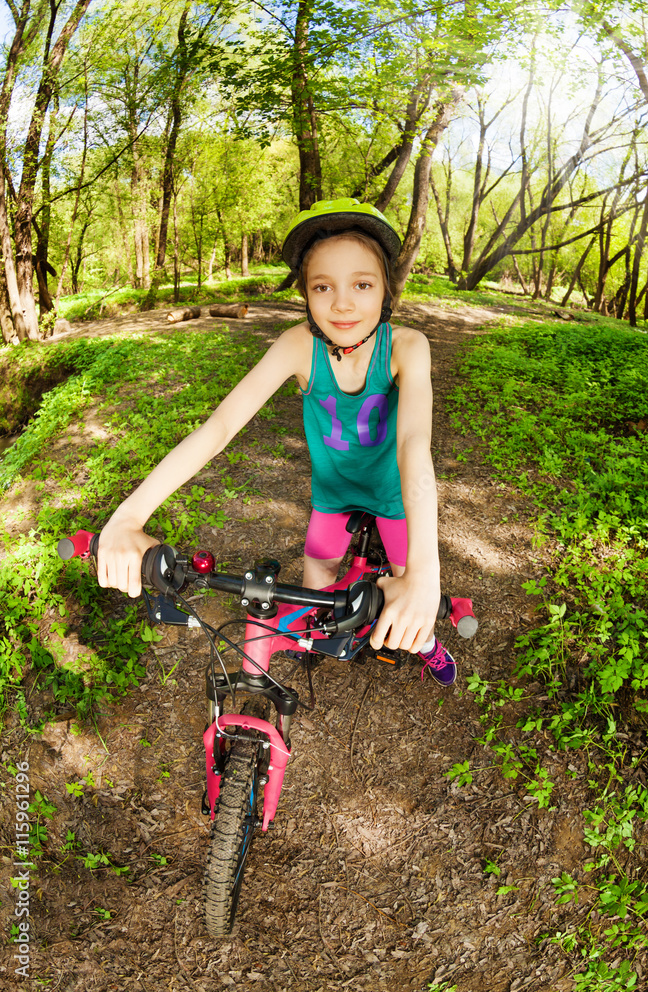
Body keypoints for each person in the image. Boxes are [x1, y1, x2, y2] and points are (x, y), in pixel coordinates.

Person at [97, 198, 456, 686]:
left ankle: (429, 643)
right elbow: (219, 428)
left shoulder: (408, 347)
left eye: (362, 284)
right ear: (306, 295)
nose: (343, 303)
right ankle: (314, 639)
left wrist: (425, 575)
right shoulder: (297, 345)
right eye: (322, 286)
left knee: (410, 584)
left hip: (395, 494)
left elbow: (414, 444)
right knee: (317, 574)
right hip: (332, 493)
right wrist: (129, 517)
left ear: (387, 291)